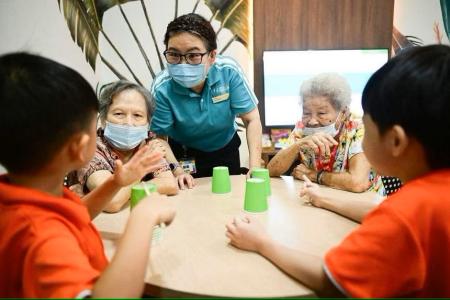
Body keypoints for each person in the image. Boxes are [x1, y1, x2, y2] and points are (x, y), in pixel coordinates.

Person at [226, 45, 450, 297]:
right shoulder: (428, 199)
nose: (312, 119)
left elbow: (330, 278)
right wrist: (324, 198)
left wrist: (261, 242)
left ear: (395, 141)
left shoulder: (406, 214)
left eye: (369, 125)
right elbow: (380, 210)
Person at [0, 52, 176, 297]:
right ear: (80, 146)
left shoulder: (28, 193)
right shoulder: (42, 236)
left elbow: (78, 214)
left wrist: (116, 182)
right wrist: (143, 219)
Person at [151, 13, 262, 178]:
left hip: (225, 148)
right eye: (174, 54)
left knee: (227, 198)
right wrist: (177, 171)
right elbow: (159, 138)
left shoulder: (228, 72)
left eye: (193, 55)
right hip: (182, 152)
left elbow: (251, 119)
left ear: (212, 56)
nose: (183, 64)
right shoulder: (162, 88)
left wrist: (255, 166)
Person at [73, 80, 194, 213]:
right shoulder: (90, 149)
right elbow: (112, 203)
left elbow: (169, 185)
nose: (128, 123)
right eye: (119, 114)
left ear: (148, 122)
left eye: (137, 115)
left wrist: (123, 194)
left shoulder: (148, 144)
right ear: (103, 119)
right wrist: (140, 172)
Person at [267, 73, 380, 193]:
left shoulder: (358, 128)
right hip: (320, 200)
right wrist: (299, 144)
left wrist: (313, 175)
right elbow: (271, 170)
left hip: (363, 205)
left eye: (321, 113)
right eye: (306, 113)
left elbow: (358, 183)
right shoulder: (301, 129)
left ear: (343, 112)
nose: (312, 121)